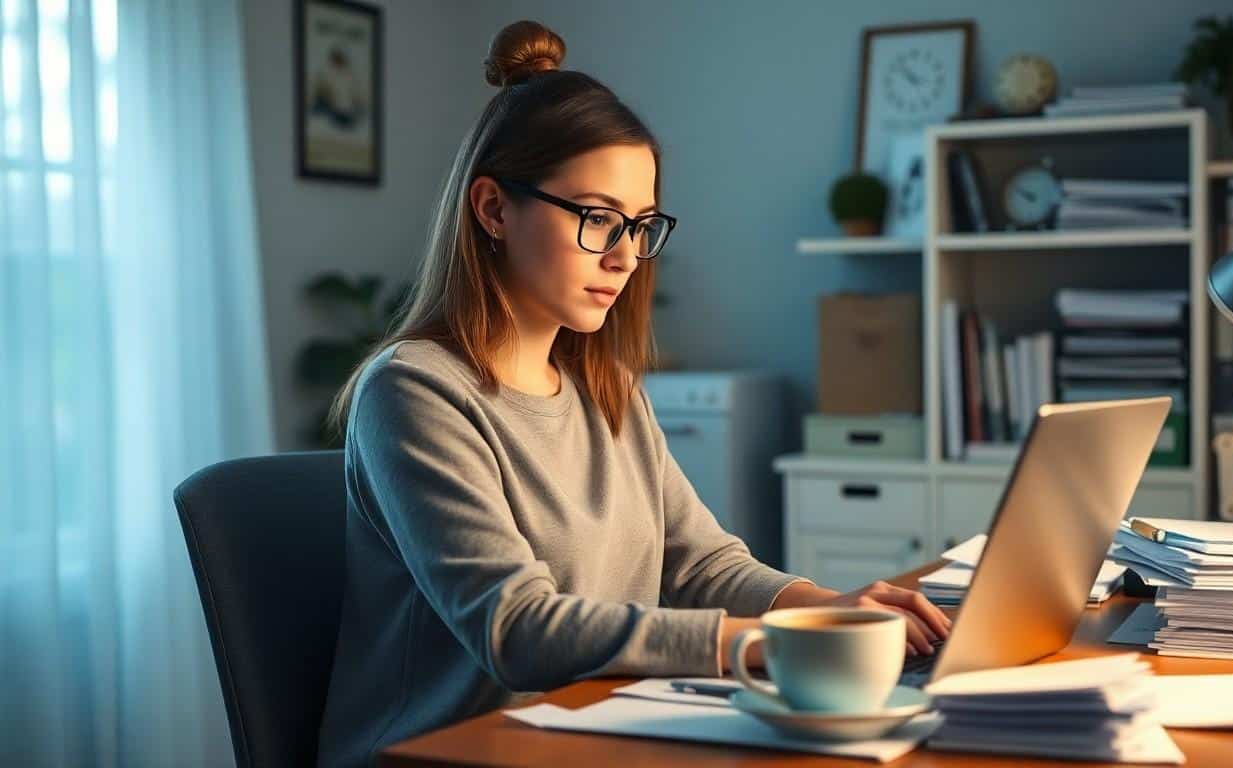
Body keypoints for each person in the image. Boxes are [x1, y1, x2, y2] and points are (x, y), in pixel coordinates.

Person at [314, 20, 950, 767]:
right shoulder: (414, 391)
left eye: (640, 226)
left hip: (590, 734)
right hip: (450, 753)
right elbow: (516, 630)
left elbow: (701, 566)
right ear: (492, 210)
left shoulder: (607, 390)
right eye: (595, 219)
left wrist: (825, 609)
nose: (623, 257)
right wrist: (768, 644)